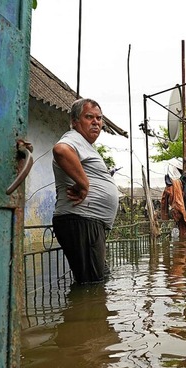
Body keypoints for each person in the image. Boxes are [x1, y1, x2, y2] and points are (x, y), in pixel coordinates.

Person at [52, 98, 119, 284]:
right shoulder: (73, 139)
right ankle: (83, 313)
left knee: (98, 280)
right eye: (89, 117)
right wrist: (84, 184)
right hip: (81, 220)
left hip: (88, 222)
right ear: (75, 121)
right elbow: (60, 150)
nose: (96, 122)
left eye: (99, 118)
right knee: (90, 286)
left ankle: (87, 312)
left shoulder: (84, 145)